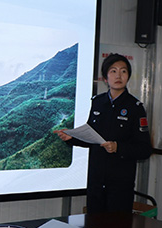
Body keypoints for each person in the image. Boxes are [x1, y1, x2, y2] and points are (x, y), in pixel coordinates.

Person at [55, 53, 151, 214]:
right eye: (113, 71)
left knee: (117, 227)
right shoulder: (98, 102)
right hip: (96, 182)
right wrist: (72, 138)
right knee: (93, 225)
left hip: (120, 185)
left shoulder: (135, 107)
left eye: (123, 71)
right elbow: (92, 137)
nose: (118, 76)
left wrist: (118, 147)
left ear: (128, 76)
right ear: (105, 78)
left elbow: (144, 149)